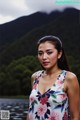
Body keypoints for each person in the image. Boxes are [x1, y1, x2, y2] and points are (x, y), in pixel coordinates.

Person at [26, 35, 80, 120]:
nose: (44, 57)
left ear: (59, 54)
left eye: (49, 52)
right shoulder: (35, 77)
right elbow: (31, 111)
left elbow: (75, 116)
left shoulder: (69, 78)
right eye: (40, 53)